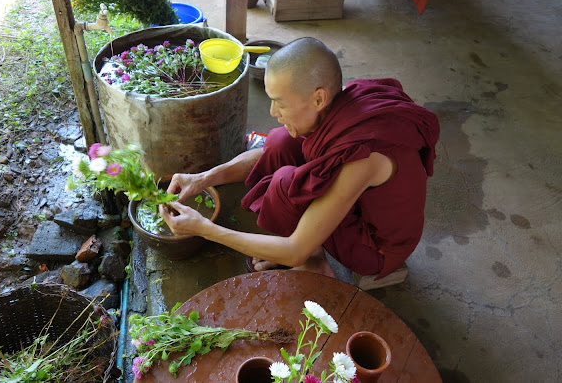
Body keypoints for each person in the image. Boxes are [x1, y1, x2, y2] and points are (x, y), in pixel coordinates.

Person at [159, 37, 440, 279]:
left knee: (285, 185)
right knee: (280, 140)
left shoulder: (362, 157)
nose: (271, 112)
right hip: (357, 204)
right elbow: (269, 151)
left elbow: (295, 249)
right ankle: (310, 245)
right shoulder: (337, 105)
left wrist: (204, 228)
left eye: (280, 102)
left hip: (376, 247)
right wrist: (204, 178)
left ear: (319, 99)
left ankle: (315, 262)